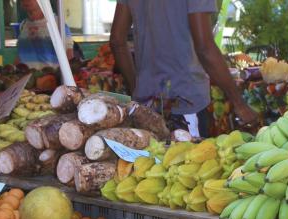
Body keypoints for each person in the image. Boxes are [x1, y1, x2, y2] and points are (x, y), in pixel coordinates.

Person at [109, 0, 259, 138]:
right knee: (187, 165)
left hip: (145, 107)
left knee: (150, 165)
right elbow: (205, 49)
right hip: (186, 105)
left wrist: (137, 89)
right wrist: (239, 104)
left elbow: (117, 40)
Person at [17, 0, 74, 69]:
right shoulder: (23, 25)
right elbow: (20, 56)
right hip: (27, 77)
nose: (25, 1)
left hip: (50, 77)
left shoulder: (58, 24)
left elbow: (69, 57)